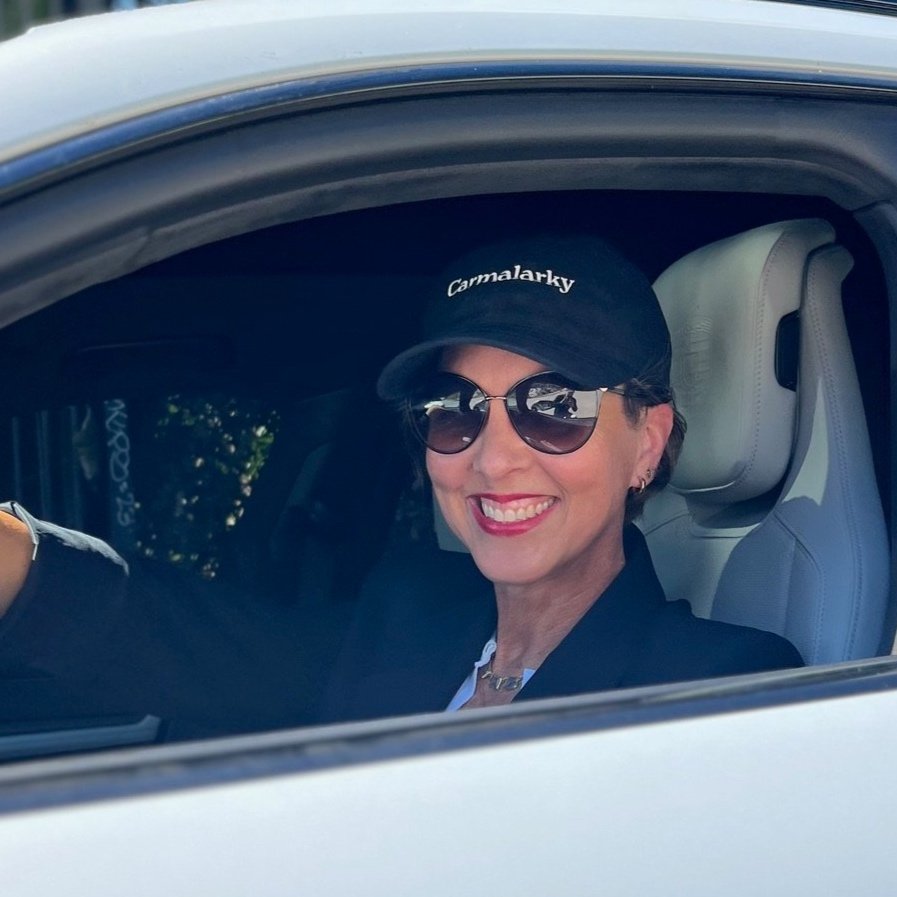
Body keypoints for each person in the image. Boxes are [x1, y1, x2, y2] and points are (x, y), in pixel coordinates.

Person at [0, 233, 802, 736]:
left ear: (646, 443)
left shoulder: (723, 685)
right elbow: (194, 645)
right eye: (454, 411)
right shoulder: (407, 611)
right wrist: (22, 559)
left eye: (554, 408)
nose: (492, 460)